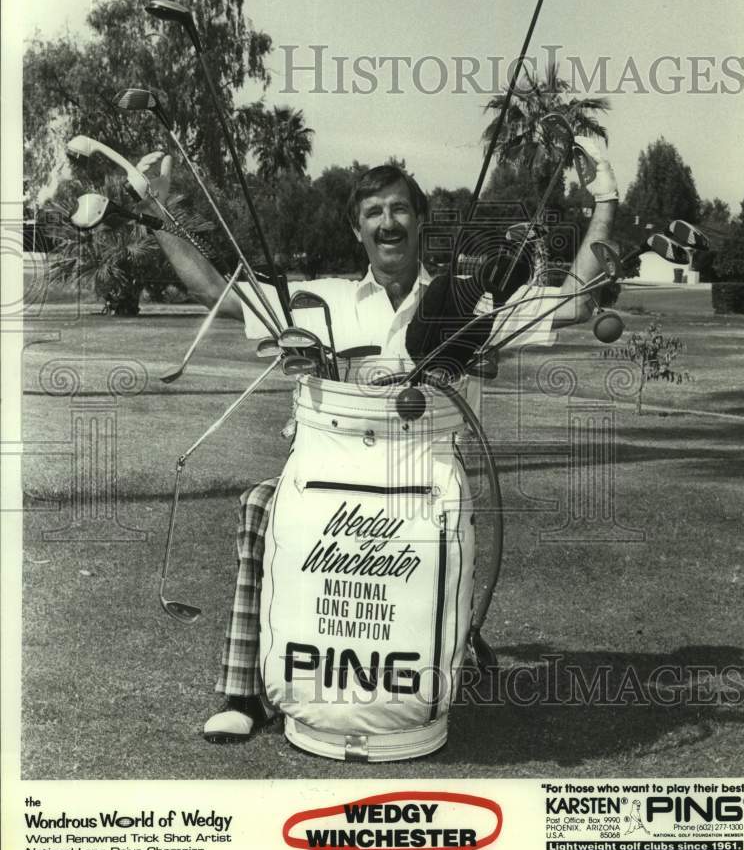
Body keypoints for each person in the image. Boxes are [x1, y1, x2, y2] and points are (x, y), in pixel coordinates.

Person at [141, 140, 619, 742]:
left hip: (424, 475)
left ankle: (441, 657)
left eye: (399, 210)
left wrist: (604, 196)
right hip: (332, 474)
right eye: (374, 212)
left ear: (420, 222)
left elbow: (576, 302)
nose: (388, 222)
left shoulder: (469, 301)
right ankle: (242, 692)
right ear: (357, 229)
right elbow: (215, 291)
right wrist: (157, 207)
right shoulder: (317, 300)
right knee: (263, 503)